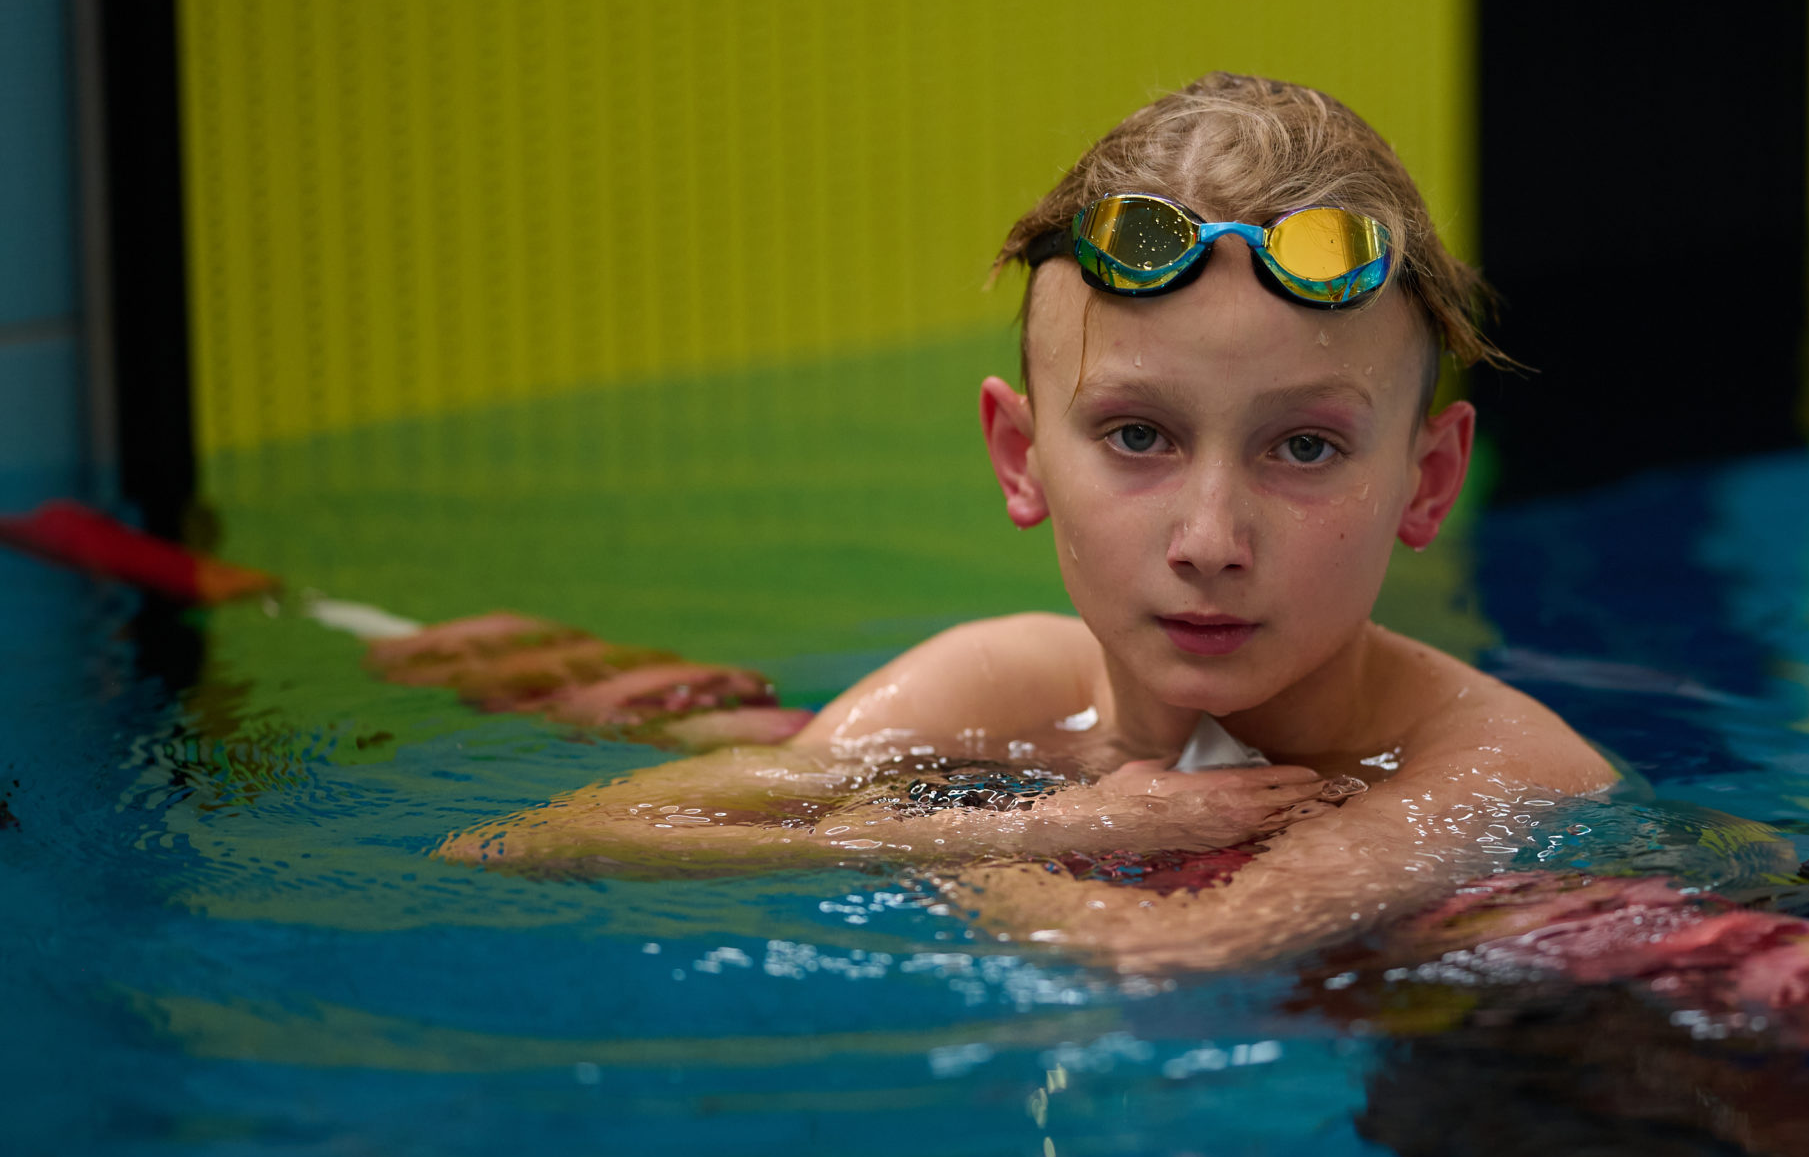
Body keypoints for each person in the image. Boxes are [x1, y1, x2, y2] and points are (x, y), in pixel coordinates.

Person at [436, 73, 1619, 970]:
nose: (1210, 538)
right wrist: (1040, 825)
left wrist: (983, 827)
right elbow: (526, 843)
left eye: (1303, 447)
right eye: (1139, 435)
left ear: (1427, 481)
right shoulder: (1000, 681)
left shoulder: (1493, 766)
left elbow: (1174, 954)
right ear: (1020, 454)